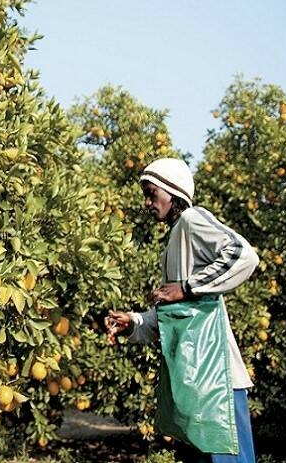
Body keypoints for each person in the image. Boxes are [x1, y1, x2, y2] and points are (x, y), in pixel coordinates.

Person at [105, 157, 259, 463]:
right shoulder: (175, 238)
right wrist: (134, 321)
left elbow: (244, 255)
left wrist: (186, 287)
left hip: (216, 381)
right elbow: (176, 313)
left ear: (173, 192)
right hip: (193, 382)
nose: (148, 202)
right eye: (146, 196)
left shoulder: (192, 220)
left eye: (152, 193)